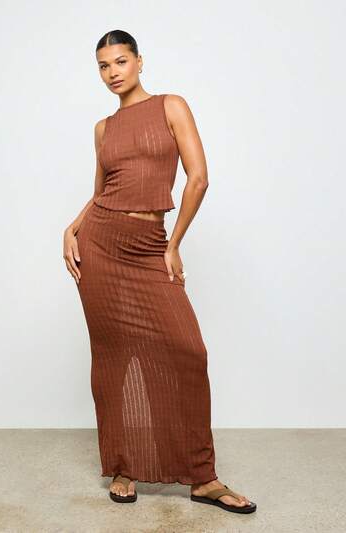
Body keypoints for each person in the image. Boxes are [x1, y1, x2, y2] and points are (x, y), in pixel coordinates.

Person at [63, 29, 256, 514]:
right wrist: (73, 226)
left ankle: (203, 478)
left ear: (140, 61)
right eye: (103, 66)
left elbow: (199, 178)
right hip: (100, 245)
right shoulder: (103, 129)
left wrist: (173, 244)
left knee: (188, 350)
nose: (112, 72)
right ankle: (123, 465)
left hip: (150, 244)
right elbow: (101, 191)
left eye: (120, 61)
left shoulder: (171, 105)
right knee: (114, 356)